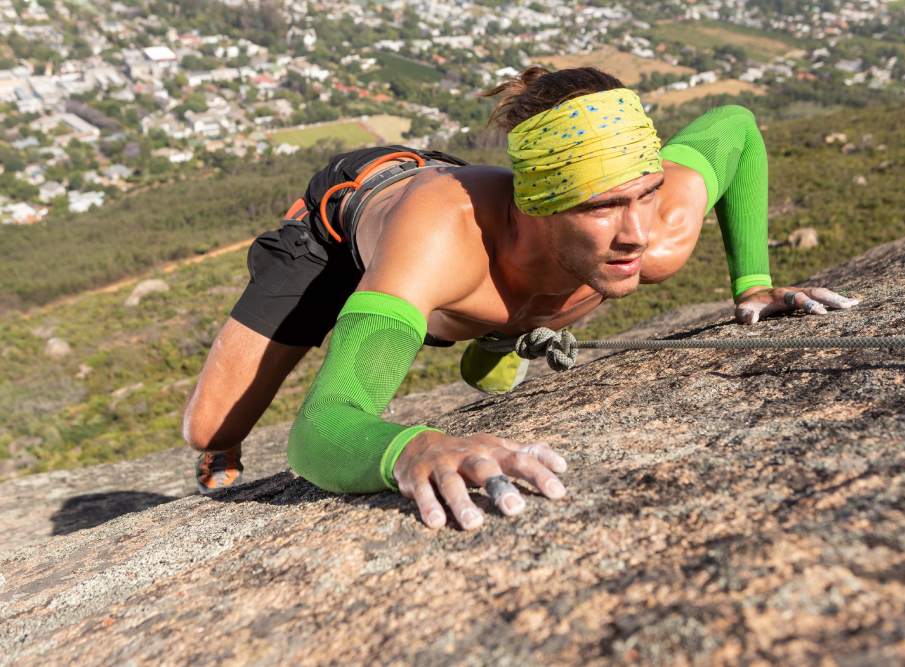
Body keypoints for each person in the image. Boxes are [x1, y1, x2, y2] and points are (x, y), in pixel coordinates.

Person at [182, 66, 859, 529]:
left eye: (645, 193)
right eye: (601, 207)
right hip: (342, 226)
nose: (636, 233)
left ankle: (503, 330)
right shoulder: (441, 238)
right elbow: (320, 429)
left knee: (531, 308)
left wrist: (753, 285)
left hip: (486, 273)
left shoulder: (658, 223)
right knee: (209, 428)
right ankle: (493, 326)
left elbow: (736, 126)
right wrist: (410, 449)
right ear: (536, 205)